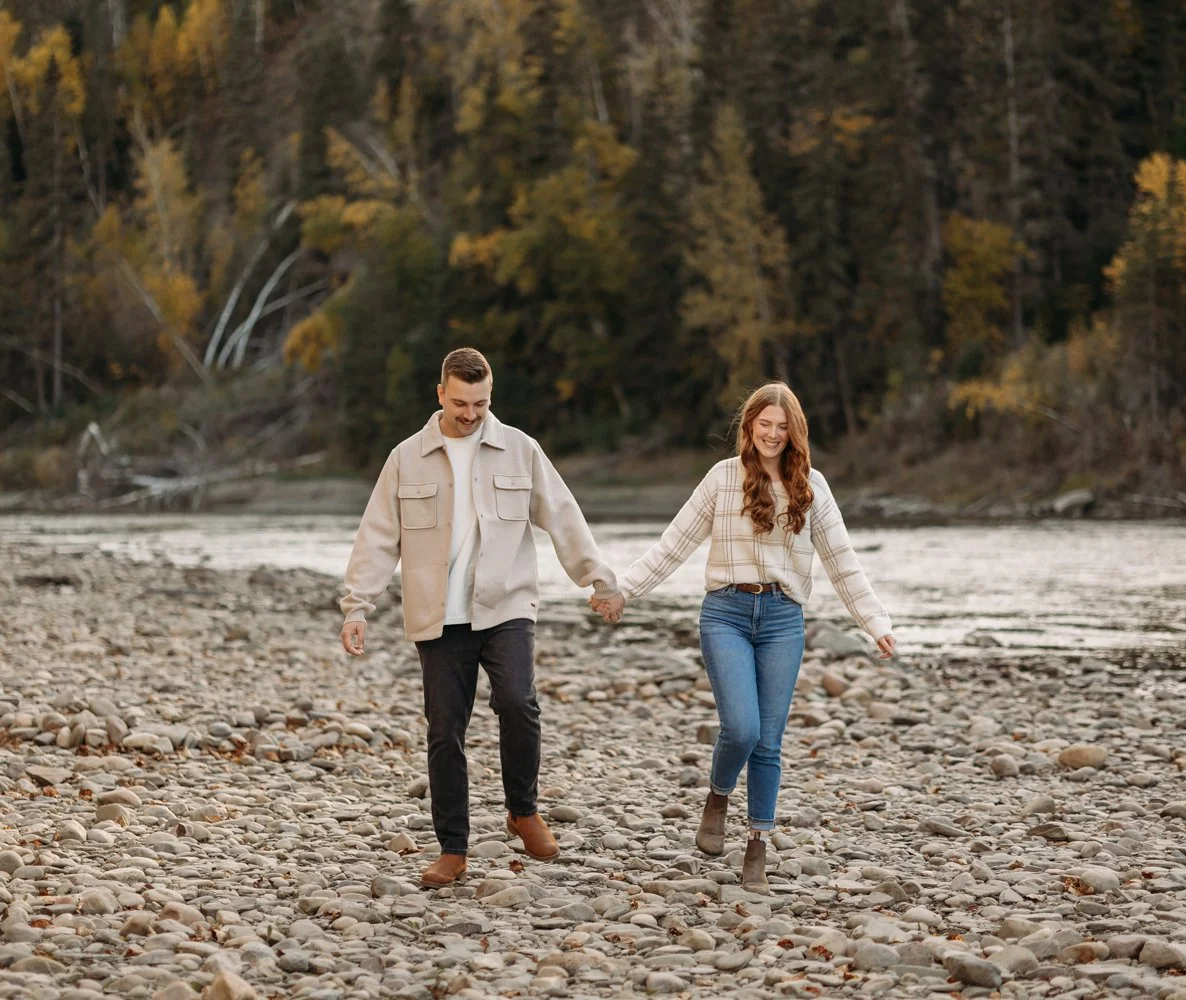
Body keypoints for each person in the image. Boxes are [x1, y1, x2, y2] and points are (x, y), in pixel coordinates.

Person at [591, 382, 895, 892]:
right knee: (742, 728)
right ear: (749, 426)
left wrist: (876, 623)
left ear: (793, 432)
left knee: (770, 742)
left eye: (782, 427)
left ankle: (757, 846)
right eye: (764, 425)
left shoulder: (810, 487)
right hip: (726, 614)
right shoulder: (722, 479)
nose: (772, 435)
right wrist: (624, 591)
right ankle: (717, 795)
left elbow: (844, 565)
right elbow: (674, 544)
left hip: (782, 620)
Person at [340, 348, 619, 888]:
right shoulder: (406, 458)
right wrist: (357, 606)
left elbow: (562, 514)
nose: (472, 414)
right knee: (445, 730)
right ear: (440, 393)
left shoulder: (520, 449)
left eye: (482, 403)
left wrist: (598, 580)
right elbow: (377, 536)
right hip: (438, 614)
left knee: (519, 702)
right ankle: (453, 848)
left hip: (506, 603)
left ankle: (522, 809)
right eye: (462, 403)